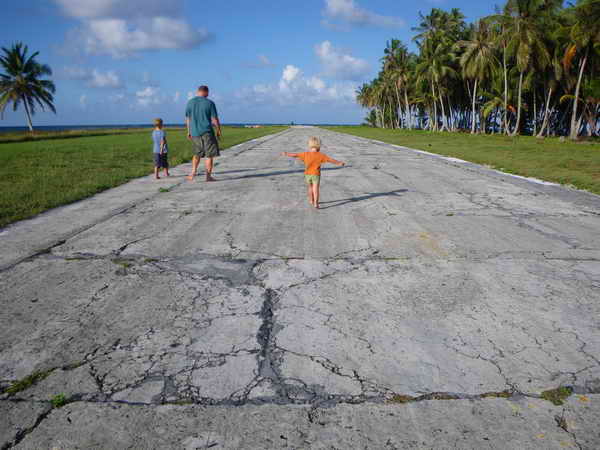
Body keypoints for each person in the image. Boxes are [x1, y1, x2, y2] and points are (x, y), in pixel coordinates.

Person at [281, 136, 345, 209]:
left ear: (309, 145)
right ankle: (316, 203)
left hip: (307, 174)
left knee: (310, 188)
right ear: (319, 146)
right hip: (316, 174)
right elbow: (330, 160)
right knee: (316, 189)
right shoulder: (321, 155)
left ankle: (311, 200)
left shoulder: (305, 154)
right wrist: (339, 163)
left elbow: (295, 155)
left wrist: (286, 154)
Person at [185, 85, 222, 182]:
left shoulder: (190, 102)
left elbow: (188, 118)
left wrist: (188, 131)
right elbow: (214, 119)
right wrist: (218, 130)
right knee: (209, 155)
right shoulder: (209, 103)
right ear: (206, 92)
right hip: (207, 132)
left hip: (194, 132)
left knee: (197, 154)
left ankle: (192, 172)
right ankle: (208, 177)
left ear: (198, 91)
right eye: (208, 93)